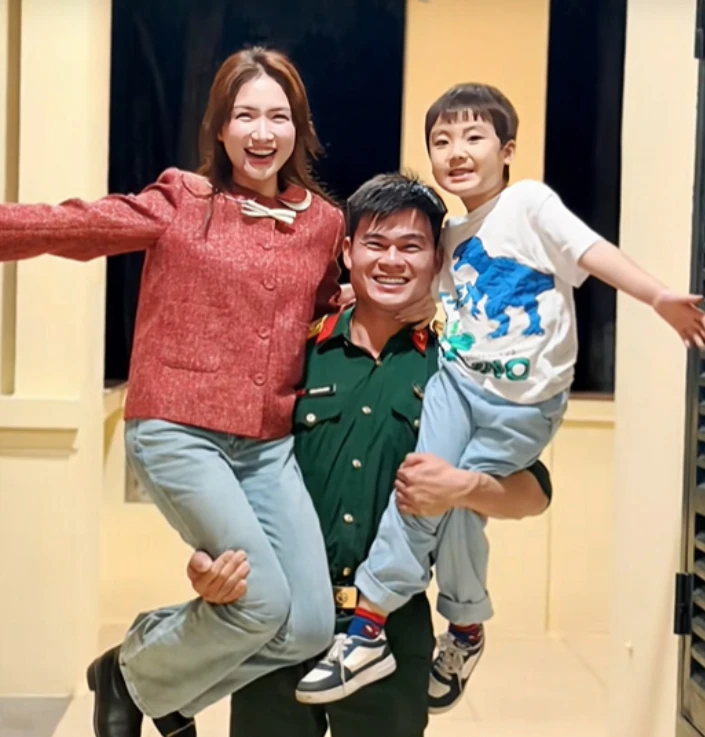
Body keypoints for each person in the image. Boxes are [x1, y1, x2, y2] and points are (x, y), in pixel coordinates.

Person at [0, 48, 435, 737]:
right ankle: (133, 674)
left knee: (308, 625)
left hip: (267, 447)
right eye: (245, 116)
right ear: (221, 128)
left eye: (278, 116)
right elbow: (78, 225)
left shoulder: (323, 223)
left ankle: (149, 676)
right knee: (260, 603)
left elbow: (334, 303)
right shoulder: (185, 199)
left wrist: (424, 310)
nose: (262, 133)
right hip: (178, 429)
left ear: (299, 127)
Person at [298, 82, 705, 713]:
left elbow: (593, 253)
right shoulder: (452, 235)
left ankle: (460, 625)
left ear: (507, 149)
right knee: (420, 485)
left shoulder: (529, 205)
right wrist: (350, 291)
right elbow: (417, 289)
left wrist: (657, 297)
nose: (456, 151)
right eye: (441, 140)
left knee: (459, 501)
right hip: (458, 383)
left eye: (473, 136)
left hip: (521, 406)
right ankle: (372, 629)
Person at [187, 172, 554, 737]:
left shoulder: (457, 370)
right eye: (376, 244)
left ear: (437, 259)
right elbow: (226, 468)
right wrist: (208, 559)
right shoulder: (292, 353)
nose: (391, 261)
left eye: (411, 246)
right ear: (347, 251)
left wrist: (464, 488)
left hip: (391, 633)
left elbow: (533, 494)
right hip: (281, 621)